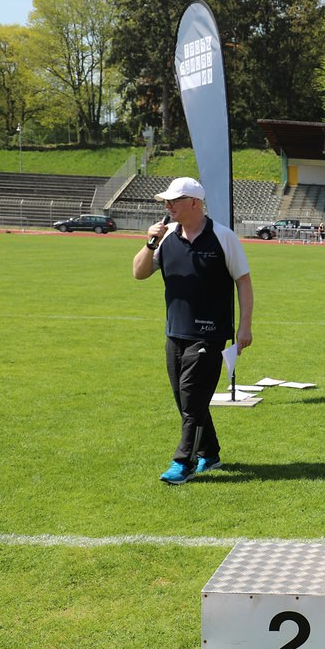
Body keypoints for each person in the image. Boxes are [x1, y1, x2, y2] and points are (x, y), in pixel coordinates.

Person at [132, 177, 254, 484]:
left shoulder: (223, 238)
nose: (167, 206)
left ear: (194, 203)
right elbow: (139, 273)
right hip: (175, 332)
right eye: (166, 202)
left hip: (210, 334)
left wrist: (245, 327)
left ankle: (182, 462)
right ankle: (209, 453)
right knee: (186, 400)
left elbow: (244, 281)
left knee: (192, 398)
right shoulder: (166, 236)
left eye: (174, 201)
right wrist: (150, 243)